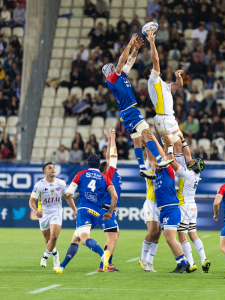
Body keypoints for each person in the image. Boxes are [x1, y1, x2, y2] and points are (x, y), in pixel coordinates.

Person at [102, 33, 173, 180]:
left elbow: (129, 62)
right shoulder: (112, 78)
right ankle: (160, 159)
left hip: (125, 114)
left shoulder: (120, 77)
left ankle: (142, 167)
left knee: (137, 140)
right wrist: (129, 44)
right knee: (147, 133)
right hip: (130, 111)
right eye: (114, 67)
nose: (117, 67)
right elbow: (122, 62)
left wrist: (136, 49)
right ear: (111, 70)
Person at [54, 154, 118, 274]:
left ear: (88, 164)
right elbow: (114, 196)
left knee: (84, 240)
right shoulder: (104, 178)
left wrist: (71, 195)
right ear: (99, 165)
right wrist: (110, 212)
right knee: (75, 239)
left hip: (83, 210)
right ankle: (61, 267)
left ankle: (104, 255)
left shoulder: (81, 174)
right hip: (96, 212)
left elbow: (69, 193)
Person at [164, 134, 210, 273]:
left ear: (193, 165)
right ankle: (204, 260)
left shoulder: (186, 173)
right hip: (193, 206)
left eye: (193, 160)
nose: (191, 159)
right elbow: (188, 155)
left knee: (182, 235)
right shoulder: (196, 174)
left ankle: (191, 263)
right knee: (193, 234)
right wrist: (183, 140)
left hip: (183, 206)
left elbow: (172, 161)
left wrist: (171, 145)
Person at [29, 162, 76, 269]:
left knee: (54, 236)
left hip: (56, 212)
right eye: (50, 168)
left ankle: (44, 258)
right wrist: (36, 211)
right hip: (43, 214)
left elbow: (68, 197)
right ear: (45, 172)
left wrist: (75, 209)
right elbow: (31, 202)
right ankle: (55, 255)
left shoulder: (61, 183)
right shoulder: (39, 185)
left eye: (53, 167)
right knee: (48, 240)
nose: (53, 169)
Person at [143, 31, 184, 154]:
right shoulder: (152, 80)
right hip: (163, 118)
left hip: (170, 117)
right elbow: (156, 60)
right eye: (154, 70)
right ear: (150, 74)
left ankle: (177, 171)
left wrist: (178, 76)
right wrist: (152, 42)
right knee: (168, 147)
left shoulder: (163, 85)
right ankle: (166, 171)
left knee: (178, 146)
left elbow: (178, 85)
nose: (157, 70)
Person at [97, 128, 122, 272]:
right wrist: (113, 137)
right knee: (111, 238)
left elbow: (108, 159)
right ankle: (103, 266)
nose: (110, 163)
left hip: (107, 208)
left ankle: (108, 262)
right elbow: (112, 156)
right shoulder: (109, 175)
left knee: (115, 235)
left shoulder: (110, 173)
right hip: (107, 209)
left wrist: (109, 141)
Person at [139, 140, 164, 272]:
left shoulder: (161, 164)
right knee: (153, 231)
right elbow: (150, 157)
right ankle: (143, 259)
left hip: (160, 203)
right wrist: (148, 144)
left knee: (158, 233)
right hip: (151, 201)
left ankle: (150, 261)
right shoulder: (148, 165)